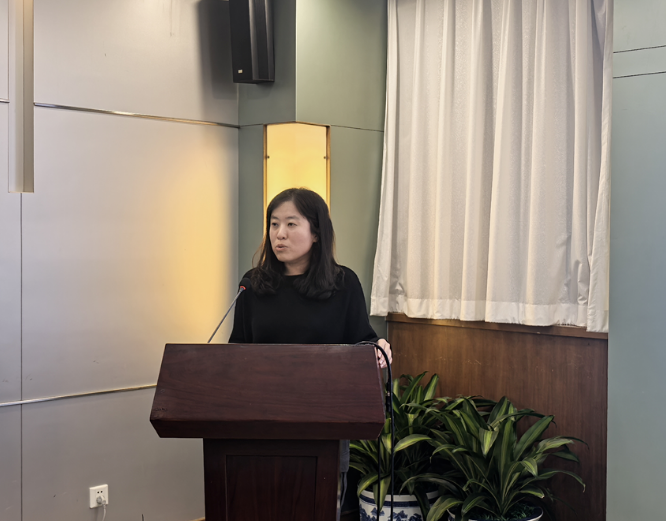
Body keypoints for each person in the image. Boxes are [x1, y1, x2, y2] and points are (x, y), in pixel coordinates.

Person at [228, 187, 392, 516]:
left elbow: (362, 340)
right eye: (274, 224)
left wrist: (378, 348)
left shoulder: (343, 283)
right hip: (261, 421)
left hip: (324, 422)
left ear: (316, 232)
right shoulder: (253, 284)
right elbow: (237, 349)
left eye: (291, 224)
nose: (279, 234)